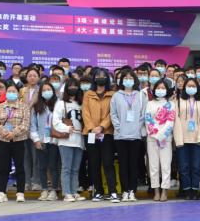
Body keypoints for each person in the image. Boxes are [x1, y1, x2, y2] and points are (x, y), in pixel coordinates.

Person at [83, 69, 119, 202]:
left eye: (103, 76)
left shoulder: (113, 94)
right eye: (98, 76)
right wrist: (92, 128)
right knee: (94, 163)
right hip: (91, 133)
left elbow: (112, 113)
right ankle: (98, 191)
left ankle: (113, 191)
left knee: (108, 163)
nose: (100, 78)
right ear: (94, 78)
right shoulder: (88, 94)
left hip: (107, 133)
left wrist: (102, 127)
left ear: (107, 79)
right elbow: (85, 112)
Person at [111, 69, 146, 202]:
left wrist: (137, 127)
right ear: (121, 81)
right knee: (123, 164)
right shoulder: (116, 96)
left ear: (135, 80)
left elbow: (143, 113)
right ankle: (125, 191)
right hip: (120, 136)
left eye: (131, 78)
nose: (128, 80)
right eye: (125, 78)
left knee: (133, 164)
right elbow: (113, 114)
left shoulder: (140, 95)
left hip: (135, 135)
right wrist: (119, 128)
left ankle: (132, 191)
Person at [0, 82, 30, 202]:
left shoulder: (24, 107)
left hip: (19, 140)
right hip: (3, 141)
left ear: (18, 93)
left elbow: (25, 123)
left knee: (20, 167)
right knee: (3, 167)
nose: (11, 93)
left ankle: (20, 192)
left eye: (14, 91)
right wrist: (4, 133)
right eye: (9, 91)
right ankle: (2, 193)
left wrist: (14, 133)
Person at [175, 78, 200, 199]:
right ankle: (186, 191)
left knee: (195, 167)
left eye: (193, 86)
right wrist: (178, 139)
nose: (191, 88)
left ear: (197, 88)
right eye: (188, 86)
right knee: (184, 167)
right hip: (182, 140)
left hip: (197, 140)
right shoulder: (178, 101)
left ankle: (194, 190)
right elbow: (176, 121)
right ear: (184, 88)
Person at [53, 80, 85, 202]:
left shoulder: (81, 103)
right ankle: (67, 193)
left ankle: (74, 191)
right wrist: (66, 128)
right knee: (66, 167)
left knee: (75, 168)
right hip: (66, 139)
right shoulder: (61, 103)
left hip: (79, 139)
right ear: (66, 88)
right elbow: (55, 121)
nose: (73, 88)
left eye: (75, 86)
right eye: (70, 86)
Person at [29, 81, 61, 200]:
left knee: (53, 166)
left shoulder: (58, 104)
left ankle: (54, 190)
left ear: (53, 91)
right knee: (42, 166)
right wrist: (36, 140)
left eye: (49, 89)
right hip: (41, 140)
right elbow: (33, 125)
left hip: (54, 140)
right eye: (44, 90)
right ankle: (44, 189)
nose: (46, 92)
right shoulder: (37, 107)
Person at [145, 79, 176, 201]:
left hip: (166, 139)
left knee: (165, 166)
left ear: (167, 90)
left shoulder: (171, 104)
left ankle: (165, 191)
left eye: (163, 88)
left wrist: (162, 135)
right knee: (153, 166)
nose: (160, 90)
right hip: (152, 138)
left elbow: (170, 121)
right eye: (158, 88)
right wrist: (156, 134)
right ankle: (156, 191)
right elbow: (148, 119)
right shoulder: (150, 103)